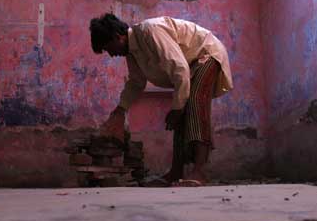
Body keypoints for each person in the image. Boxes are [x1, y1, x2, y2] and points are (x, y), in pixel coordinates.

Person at [89, 13, 233, 186]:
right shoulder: (132, 53)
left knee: (194, 101)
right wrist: (120, 110)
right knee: (180, 110)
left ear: (117, 37)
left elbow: (179, 68)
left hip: (207, 53)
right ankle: (176, 172)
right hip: (189, 66)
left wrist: (177, 108)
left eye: (107, 48)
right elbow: (136, 83)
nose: (111, 54)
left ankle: (199, 172)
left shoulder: (150, 31)